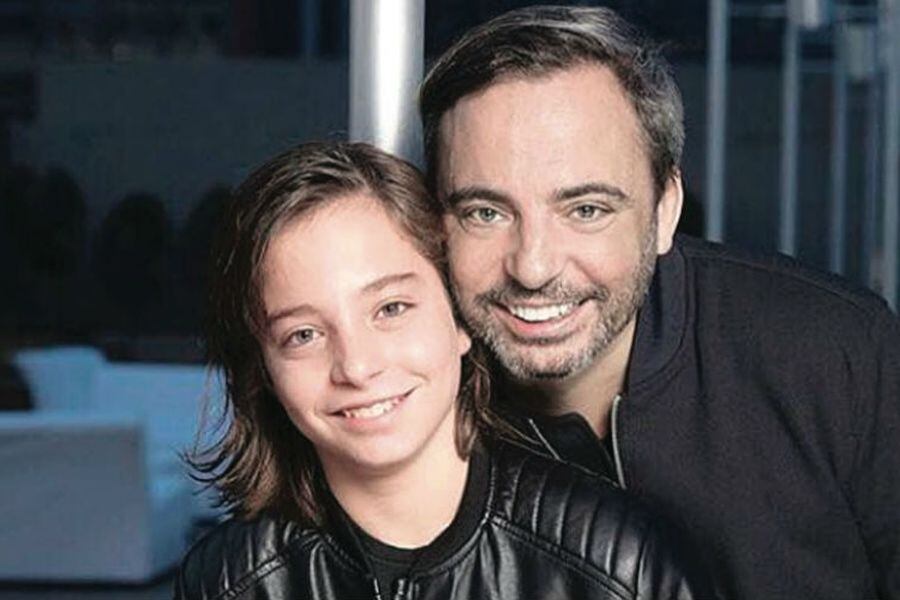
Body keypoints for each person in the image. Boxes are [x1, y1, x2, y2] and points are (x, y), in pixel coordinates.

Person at [419, 5, 900, 600]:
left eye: (586, 210)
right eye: (486, 213)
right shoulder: (407, 408)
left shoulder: (837, 353)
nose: (533, 268)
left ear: (665, 208)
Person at [173, 141, 712, 600]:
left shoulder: (618, 562)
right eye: (303, 335)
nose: (356, 366)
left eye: (391, 309)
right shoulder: (230, 580)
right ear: (264, 371)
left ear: (459, 320)